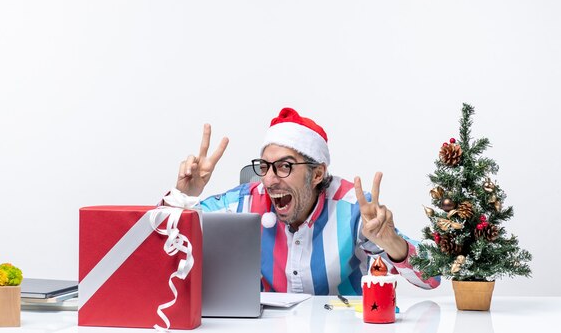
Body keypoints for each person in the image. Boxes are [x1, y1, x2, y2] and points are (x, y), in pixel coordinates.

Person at [164, 107, 440, 295]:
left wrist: (391, 243)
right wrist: (183, 195)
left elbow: (433, 278)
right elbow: (156, 247)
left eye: (284, 166)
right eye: (265, 166)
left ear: (317, 173)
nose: (270, 179)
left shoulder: (354, 210)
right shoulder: (244, 203)